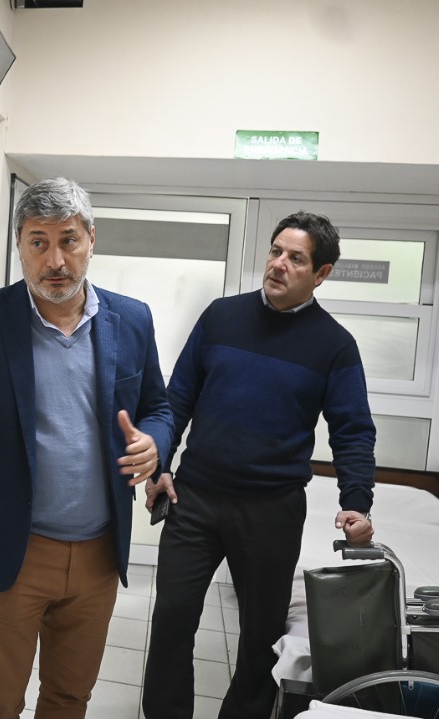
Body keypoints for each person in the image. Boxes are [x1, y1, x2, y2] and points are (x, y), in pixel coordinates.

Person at [0, 177, 173, 719]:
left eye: (68, 241)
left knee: (69, 699)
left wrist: (155, 443)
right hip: (15, 549)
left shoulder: (132, 319)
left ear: (91, 240)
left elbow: (159, 406)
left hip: (98, 553)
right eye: (38, 242)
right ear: (19, 244)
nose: (55, 260)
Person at [140, 211, 377, 719]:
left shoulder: (334, 345)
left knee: (260, 636)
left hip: (272, 510)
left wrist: (357, 501)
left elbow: (353, 429)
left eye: (296, 258)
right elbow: (177, 398)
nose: (279, 264)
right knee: (172, 618)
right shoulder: (221, 317)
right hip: (194, 499)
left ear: (321, 273)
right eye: (275, 251)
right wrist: (161, 464)